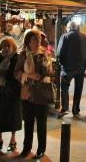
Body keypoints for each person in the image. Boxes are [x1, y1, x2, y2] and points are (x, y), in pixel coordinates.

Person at [15, 29, 54, 159]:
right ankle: (26, 148)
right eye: (34, 40)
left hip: (41, 93)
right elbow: (16, 72)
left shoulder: (45, 54)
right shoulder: (23, 55)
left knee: (41, 123)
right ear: (28, 42)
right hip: (27, 93)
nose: (37, 42)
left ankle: (41, 149)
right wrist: (28, 75)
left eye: (39, 40)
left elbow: (48, 72)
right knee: (28, 122)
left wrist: (44, 61)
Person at [0, 37, 21, 152]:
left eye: (8, 46)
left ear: (13, 47)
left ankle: (13, 141)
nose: (6, 48)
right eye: (4, 46)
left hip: (12, 93)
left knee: (13, 117)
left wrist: (11, 88)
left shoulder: (16, 58)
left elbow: (17, 76)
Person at [56, 21, 86, 118]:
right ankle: (76, 111)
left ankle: (64, 108)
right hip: (81, 68)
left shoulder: (65, 36)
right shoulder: (85, 37)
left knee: (64, 88)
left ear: (69, 28)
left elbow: (59, 53)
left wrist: (62, 62)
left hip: (67, 68)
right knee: (78, 89)